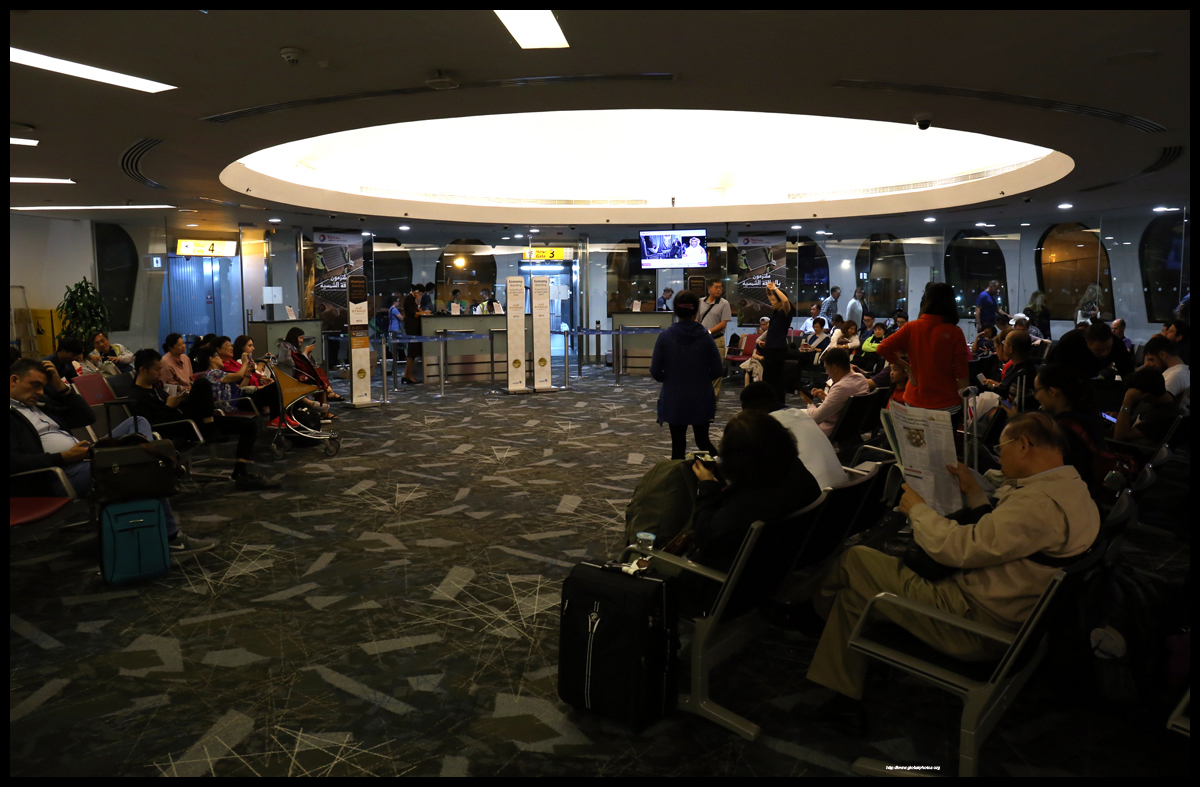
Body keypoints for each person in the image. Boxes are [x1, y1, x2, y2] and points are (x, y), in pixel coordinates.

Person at [801, 412, 1099, 723]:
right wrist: (974, 493)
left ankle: (814, 612)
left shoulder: (1038, 505)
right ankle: (843, 701)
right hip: (1003, 612)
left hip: (974, 624)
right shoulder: (1071, 489)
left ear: (1023, 445)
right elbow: (1001, 537)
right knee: (852, 599)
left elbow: (957, 549)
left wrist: (917, 510)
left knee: (856, 560)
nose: (999, 457)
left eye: (1001, 448)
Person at [9, 357, 216, 554]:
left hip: (85, 455)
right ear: (14, 380)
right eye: (35, 385)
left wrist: (60, 387)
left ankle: (144, 460)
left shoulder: (39, 404)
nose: (40, 391)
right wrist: (64, 457)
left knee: (137, 422)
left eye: (43, 386)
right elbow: (13, 461)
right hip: (60, 473)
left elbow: (85, 417)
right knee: (141, 469)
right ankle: (171, 537)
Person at [684, 410, 823, 616]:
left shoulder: (748, 502)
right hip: (774, 571)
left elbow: (705, 536)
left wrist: (707, 486)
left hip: (721, 591)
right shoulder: (794, 471)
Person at [877, 282, 970, 423]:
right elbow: (962, 373)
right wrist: (966, 405)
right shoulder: (955, 332)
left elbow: (882, 348)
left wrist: (907, 368)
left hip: (914, 400)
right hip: (946, 403)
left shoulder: (911, 327)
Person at [193, 345, 282, 490]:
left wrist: (248, 373)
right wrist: (245, 362)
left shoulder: (220, 373)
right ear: (211, 359)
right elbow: (238, 376)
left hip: (238, 400)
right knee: (274, 389)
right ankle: (275, 418)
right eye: (217, 356)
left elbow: (240, 386)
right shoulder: (213, 373)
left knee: (273, 389)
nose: (220, 359)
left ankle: (276, 417)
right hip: (231, 406)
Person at [650, 291, 722, 460]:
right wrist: (701, 379)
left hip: (674, 396)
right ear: (696, 311)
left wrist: (670, 379)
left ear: (675, 311)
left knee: (678, 446)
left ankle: (679, 476)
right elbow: (718, 370)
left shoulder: (665, 337)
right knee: (703, 441)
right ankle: (722, 470)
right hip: (701, 396)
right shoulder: (706, 338)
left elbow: (655, 371)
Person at [739, 381, 846, 491]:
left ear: (753, 411)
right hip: (842, 489)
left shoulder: (768, 425)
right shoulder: (801, 415)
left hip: (816, 494)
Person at [1033, 362, 1108, 494]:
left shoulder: (1060, 430)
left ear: (1052, 392)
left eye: (1037, 391)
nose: (1036, 396)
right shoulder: (1088, 415)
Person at [796, 348, 870, 438]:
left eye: (826, 368)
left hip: (832, 431)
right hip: (851, 428)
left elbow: (816, 417)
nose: (826, 373)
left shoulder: (840, 387)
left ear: (835, 368)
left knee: (794, 417)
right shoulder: (861, 379)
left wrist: (809, 402)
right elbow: (842, 403)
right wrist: (826, 397)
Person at [1112, 366, 1180, 451]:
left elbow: (1119, 436)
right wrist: (1122, 418)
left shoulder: (1163, 416)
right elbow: (1142, 418)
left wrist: (1127, 402)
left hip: (1132, 451)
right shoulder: (1161, 397)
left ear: (1146, 395)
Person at [1046, 321, 1134, 379]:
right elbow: (1052, 370)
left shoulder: (1117, 344)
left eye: (1108, 348)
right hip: (1069, 373)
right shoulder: (1069, 342)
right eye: (1098, 350)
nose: (1104, 353)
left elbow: (1128, 373)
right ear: (1087, 342)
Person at [279, 327, 344, 404]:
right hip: (292, 376)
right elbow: (297, 363)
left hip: (296, 373)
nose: (302, 340)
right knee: (319, 375)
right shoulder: (287, 349)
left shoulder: (291, 348)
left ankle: (328, 393)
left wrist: (308, 354)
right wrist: (305, 352)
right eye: (300, 338)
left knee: (319, 373)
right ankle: (328, 393)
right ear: (294, 337)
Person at [982, 329, 1038, 413]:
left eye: (1005, 342)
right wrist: (995, 385)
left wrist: (993, 390)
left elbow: (1008, 403)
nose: (1003, 344)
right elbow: (1007, 388)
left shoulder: (1022, 373)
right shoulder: (1016, 366)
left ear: (1010, 349)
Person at [223, 336, 277, 418]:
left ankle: (284, 416)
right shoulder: (225, 368)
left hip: (250, 391)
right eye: (228, 346)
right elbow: (241, 385)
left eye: (231, 345)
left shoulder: (233, 363)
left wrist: (261, 378)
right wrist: (246, 364)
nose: (231, 348)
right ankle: (277, 418)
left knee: (279, 387)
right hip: (243, 397)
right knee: (276, 388)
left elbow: (250, 375)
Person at [760, 281, 794, 404]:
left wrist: (775, 288)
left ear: (779, 302)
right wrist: (768, 288)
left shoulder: (786, 313)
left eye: (774, 300)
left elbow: (785, 301)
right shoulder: (775, 312)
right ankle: (768, 402)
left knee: (776, 379)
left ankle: (779, 403)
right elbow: (770, 295)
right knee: (767, 378)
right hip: (770, 349)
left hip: (778, 350)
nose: (771, 302)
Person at [698, 279, 732, 399]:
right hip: (701, 340)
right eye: (716, 287)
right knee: (701, 369)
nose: (719, 290)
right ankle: (702, 398)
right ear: (709, 288)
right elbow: (696, 319)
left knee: (716, 370)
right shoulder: (700, 302)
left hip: (717, 340)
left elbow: (723, 324)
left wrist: (709, 332)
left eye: (720, 287)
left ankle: (713, 400)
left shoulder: (724, 303)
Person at [1141, 334, 1190, 415]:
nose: (1147, 364)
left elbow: (1159, 408)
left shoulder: (1173, 376)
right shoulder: (1183, 371)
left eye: (1151, 359)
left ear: (1162, 355)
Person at [400, 283, 426, 384]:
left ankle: (406, 375)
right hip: (411, 328)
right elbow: (413, 314)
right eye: (420, 294)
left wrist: (418, 302)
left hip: (414, 327)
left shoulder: (412, 300)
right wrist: (424, 313)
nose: (420, 295)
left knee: (413, 353)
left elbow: (417, 309)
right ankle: (409, 375)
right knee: (412, 352)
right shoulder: (408, 299)